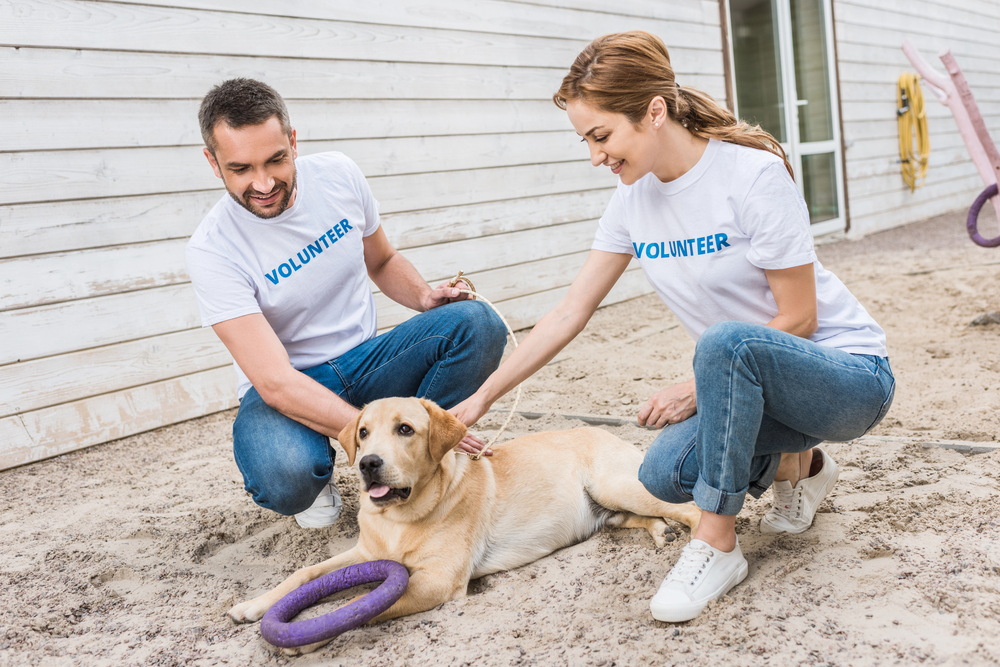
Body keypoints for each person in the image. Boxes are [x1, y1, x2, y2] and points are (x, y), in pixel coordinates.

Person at [451, 32, 895, 622]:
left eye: (602, 136)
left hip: (849, 379)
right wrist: (478, 400)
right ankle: (805, 466)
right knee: (663, 473)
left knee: (725, 342)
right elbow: (567, 313)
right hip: (754, 383)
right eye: (585, 140)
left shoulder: (752, 175)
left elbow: (800, 318)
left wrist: (697, 388)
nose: (595, 156)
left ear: (654, 111)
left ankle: (716, 544)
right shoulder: (631, 202)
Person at [186, 78, 506, 529]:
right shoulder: (211, 249)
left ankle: (418, 460)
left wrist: (422, 296)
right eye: (241, 168)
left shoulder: (337, 174)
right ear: (213, 162)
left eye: (276, 159)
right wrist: (372, 434)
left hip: (368, 360)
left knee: (477, 324)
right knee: (283, 477)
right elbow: (276, 383)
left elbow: (383, 260)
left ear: (293, 142)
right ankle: (328, 474)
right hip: (289, 385)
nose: (263, 183)